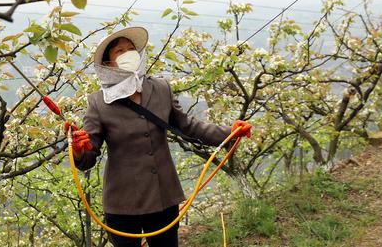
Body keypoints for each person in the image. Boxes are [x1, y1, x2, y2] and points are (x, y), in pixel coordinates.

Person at [65, 26, 252, 247]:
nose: (127, 54)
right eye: (119, 51)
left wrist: (229, 132)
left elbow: (188, 126)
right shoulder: (98, 102)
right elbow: (88, 157)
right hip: (122, 203)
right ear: (107, 64)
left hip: (164, 196)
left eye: (130, 48)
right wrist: (79, 149)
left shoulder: (161, 88)